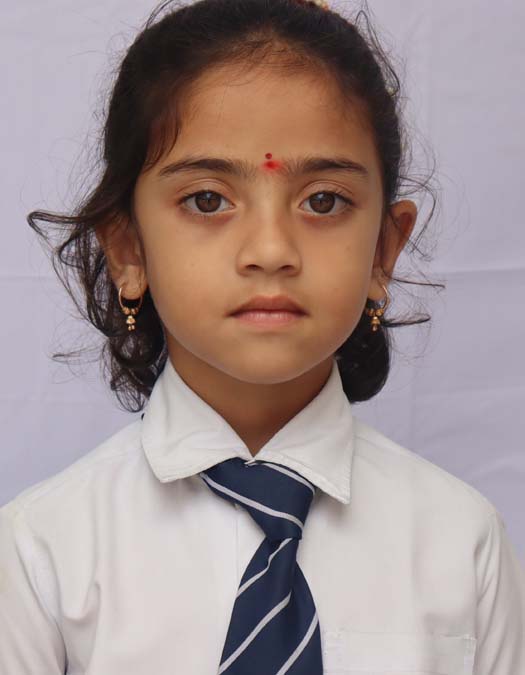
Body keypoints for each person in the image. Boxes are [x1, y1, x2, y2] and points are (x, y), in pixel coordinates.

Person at [1, 0, 524, 672]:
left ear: (382, 251)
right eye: (208, 200)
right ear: (128, 248)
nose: (271, 250)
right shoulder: (42, 553)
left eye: (323, 201)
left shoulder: (462, 542)